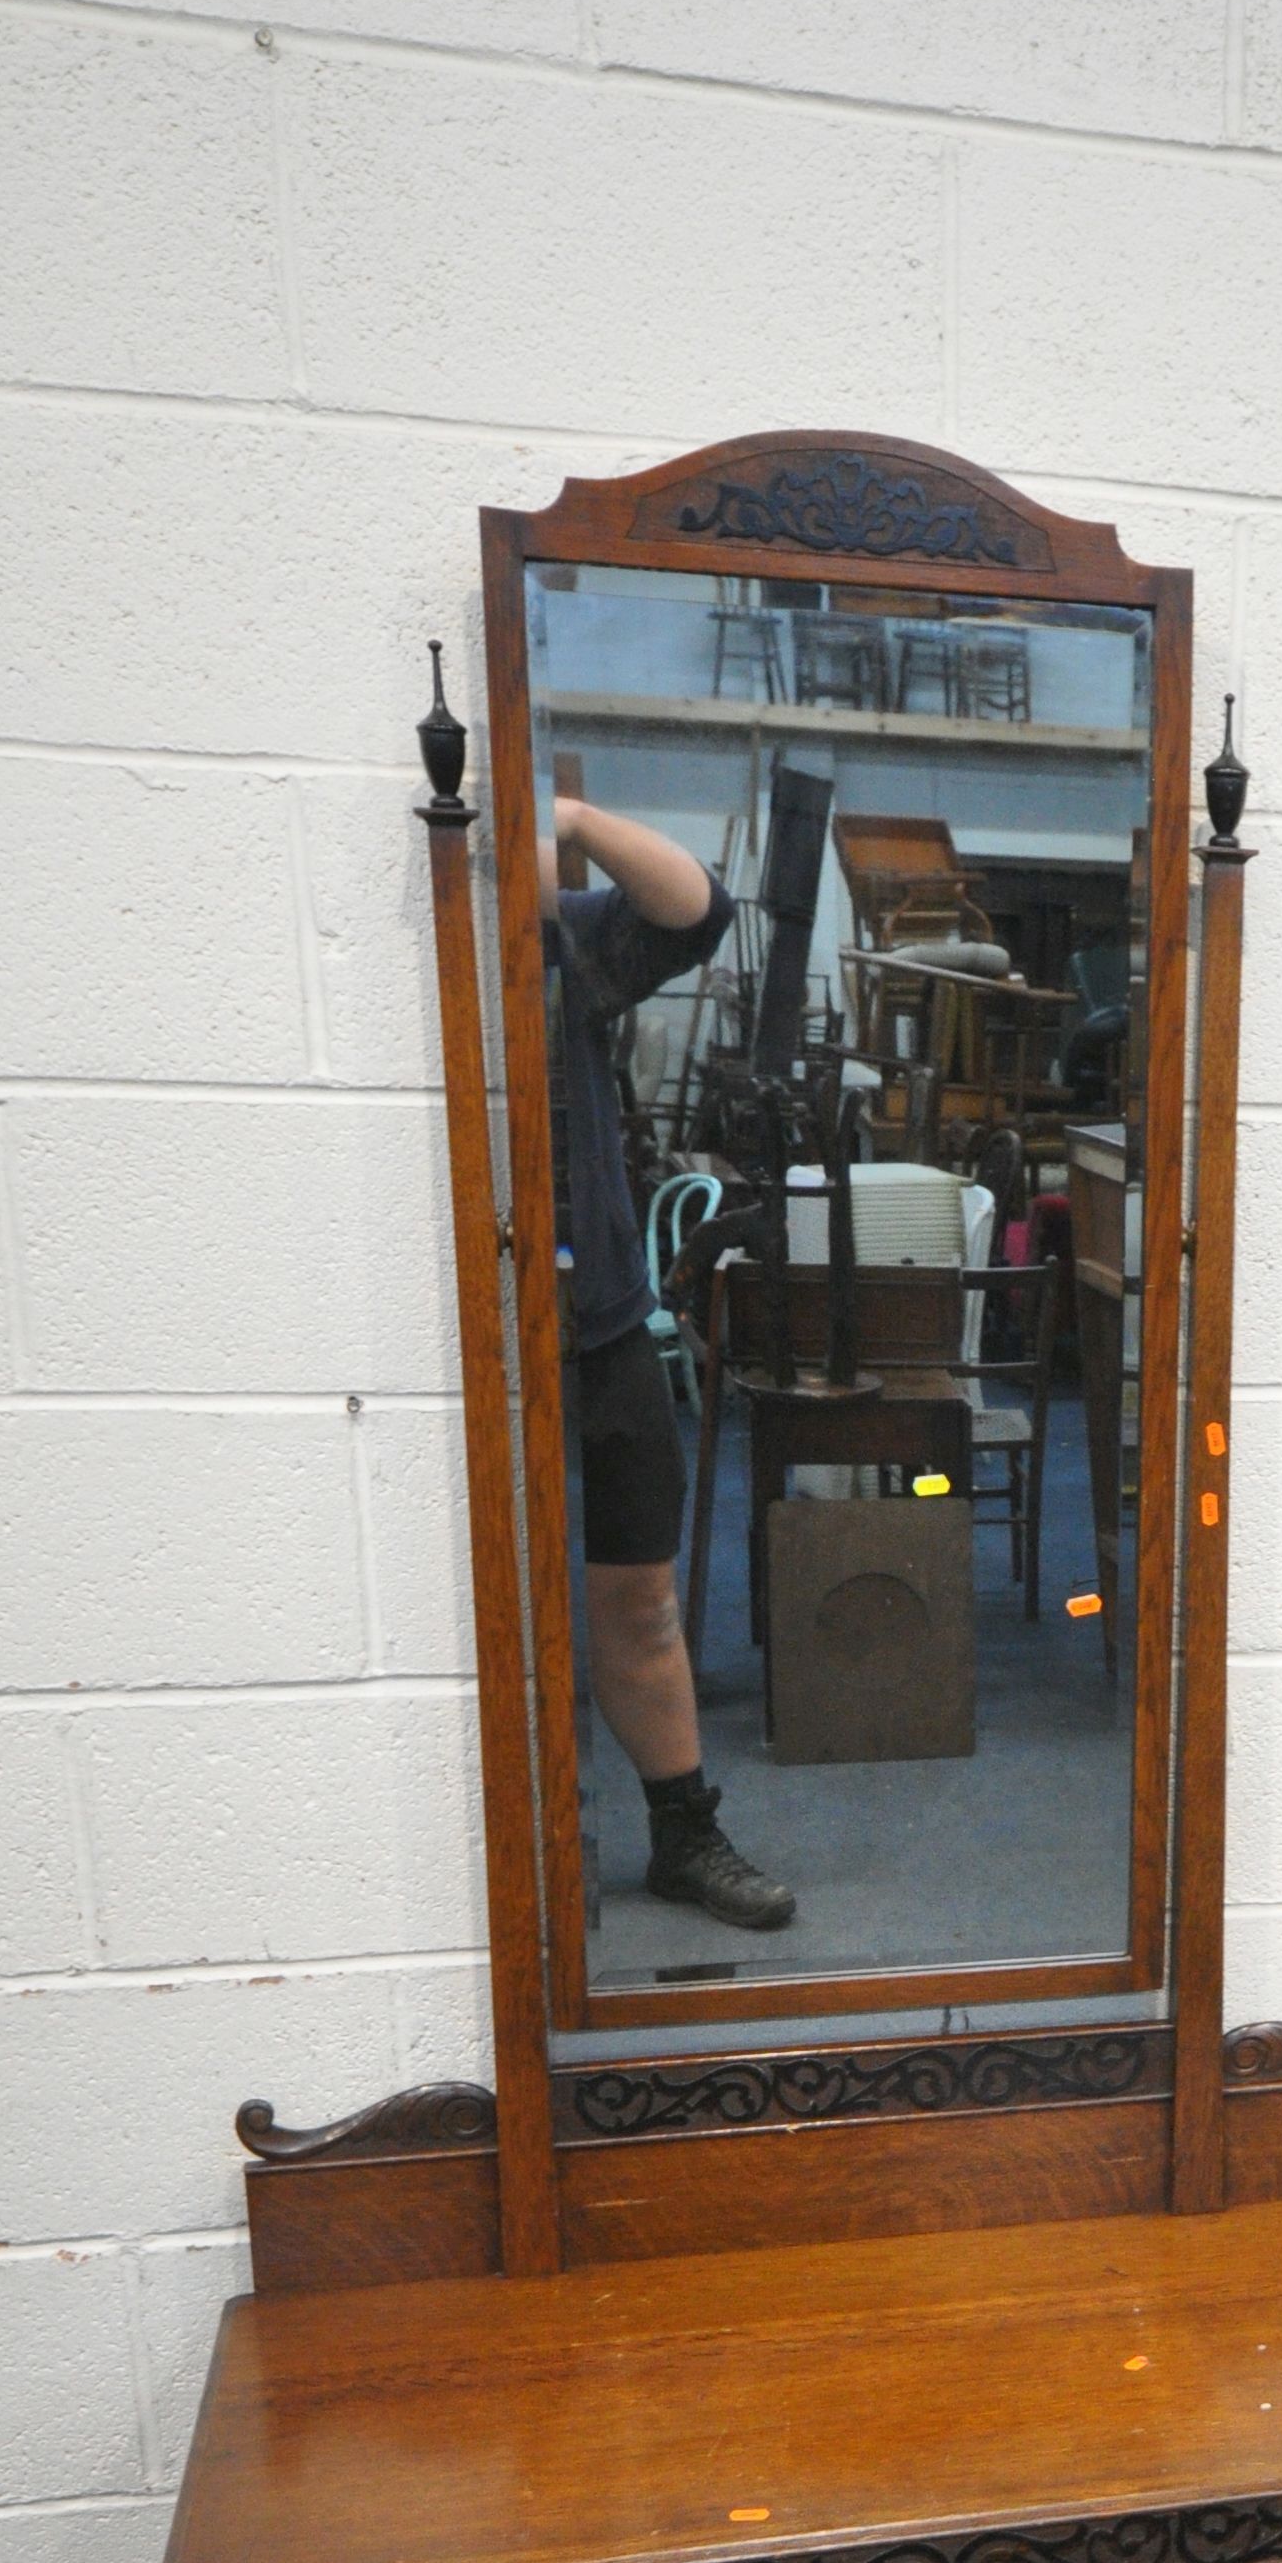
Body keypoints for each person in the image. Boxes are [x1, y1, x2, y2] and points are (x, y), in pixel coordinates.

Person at [543, 795, 796, 1932]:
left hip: (597, 1320)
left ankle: (680, 1837)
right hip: (470, 1345)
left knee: (639, 1600)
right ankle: (523, 1847)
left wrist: (570, 817)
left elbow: (698, 911)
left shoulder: (560, 943)